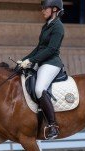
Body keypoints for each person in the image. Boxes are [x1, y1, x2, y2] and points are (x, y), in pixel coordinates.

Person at [17, 0, 65, 140]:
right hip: (41, 62)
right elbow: (39, 48)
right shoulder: (46, 26)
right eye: (42, 8)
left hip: (51, 63)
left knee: (39, 89)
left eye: (45, 8)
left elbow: (51, 49)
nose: (42, 11)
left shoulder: (58, 27)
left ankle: (53, 126)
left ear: (55, 9)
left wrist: (31, 61)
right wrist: (24, 60)